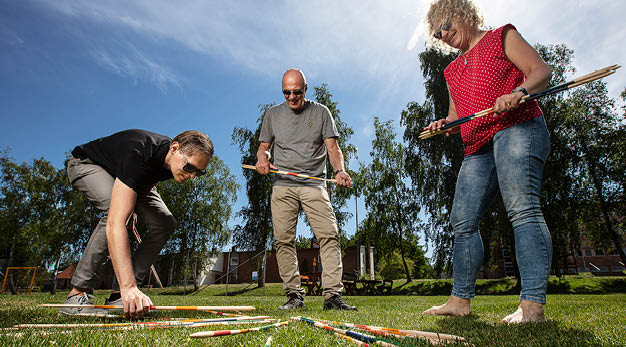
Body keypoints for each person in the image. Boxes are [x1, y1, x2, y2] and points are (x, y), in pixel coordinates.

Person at [421, 0, 553, 323]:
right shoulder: (451, 71)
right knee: (461, 221)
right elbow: (457, 117)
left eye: (448, 24)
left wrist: (519, 91)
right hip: (477, 145)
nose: (444, 34)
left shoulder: (501, 37)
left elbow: (542, 72)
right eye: (438, 33)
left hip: (516, 127)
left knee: (522, 208)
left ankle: (531, 306)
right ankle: (459, 301)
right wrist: (445, 125)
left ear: (464, 12)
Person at [63, 129, 213, 319]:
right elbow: (115, 223)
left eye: (199, 173)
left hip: (129, 177)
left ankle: (119, 297)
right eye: (190, 168)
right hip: (88, 165)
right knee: (113, 212)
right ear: (175, 148)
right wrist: (129, 286)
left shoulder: (171, 162)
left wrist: (130, 202)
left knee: (164, 222)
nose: (192, 176)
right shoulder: (140, 153)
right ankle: (78, 294)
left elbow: (143, 179)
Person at [255, 68, 356, 311]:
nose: (291, 97)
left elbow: (333, 147)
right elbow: (264, 147)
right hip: (283, 184)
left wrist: (339, 171)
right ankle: (294, 296)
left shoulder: (321, 112)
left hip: (314, 183)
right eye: (286, 92)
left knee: (329, 236)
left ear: (305, 89)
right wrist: (263, 159)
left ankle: (332, 296)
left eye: (296, 92)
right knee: (283, 241)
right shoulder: (272, 114)